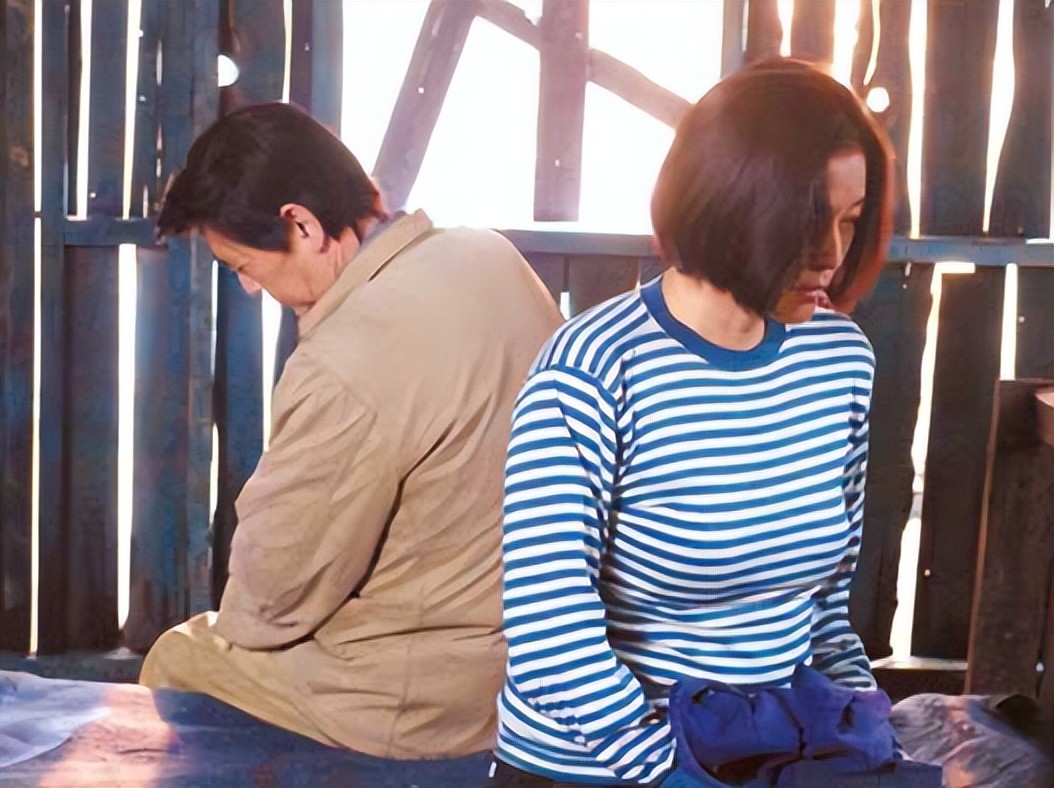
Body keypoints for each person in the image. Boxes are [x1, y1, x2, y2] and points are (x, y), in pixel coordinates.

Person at [489, 59, 895, 786]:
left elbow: (827, 607)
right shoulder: (592, 369)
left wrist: (862, 727)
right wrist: (674, 771)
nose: (832, 256)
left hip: (768, 753)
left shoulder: (840, 360)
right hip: (602, 764)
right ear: (728, 202)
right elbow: (551, 636)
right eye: (809, 221)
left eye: (850, 220)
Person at [139, 102, 564, 760]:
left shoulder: (346, 361)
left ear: (302, 225)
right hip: (546, 661)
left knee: (181, 658)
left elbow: (274, 599)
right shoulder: (487, 253)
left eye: (244, 266)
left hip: (431, 701)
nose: (249, 289)